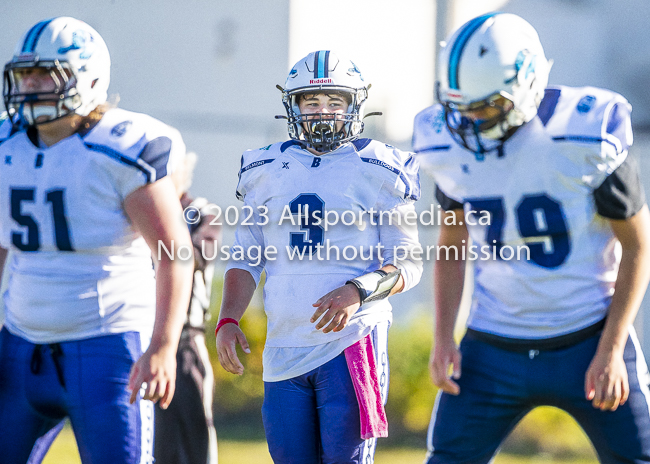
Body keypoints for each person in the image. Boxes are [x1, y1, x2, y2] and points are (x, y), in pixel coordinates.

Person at [412, 12, 650, 464]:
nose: (469, 123)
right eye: (461, 108)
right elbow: (451, 244)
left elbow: (639, 245)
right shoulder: (447, 141)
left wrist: (612, 348)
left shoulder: (586, 132)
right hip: (493, 342)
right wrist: (444, 337)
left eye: (484, 107)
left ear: (525, 83)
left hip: (587, 338)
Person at [0, 17, 194, 464]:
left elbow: (174, 251)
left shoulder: (119, 147)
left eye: (44, 73)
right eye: (24, 73)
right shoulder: (9, 143)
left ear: (87, 78)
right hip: (21, 342)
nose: (30, 85)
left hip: (106, 348)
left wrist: (163, 345)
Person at [216, 50, 423, 463]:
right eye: (311, 102)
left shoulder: (380, 166)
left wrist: (356, 291)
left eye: (335, 102)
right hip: (283, 345)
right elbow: (244, 256)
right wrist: (227, 318)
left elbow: (409, 262)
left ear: (354, 106)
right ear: (293, 107)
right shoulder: (264, 167)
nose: (323, 112)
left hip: (351, 341)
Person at [154, 151, 220, 464]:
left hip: (185, 338)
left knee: (195, 432)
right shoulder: (141, 207)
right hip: (145, 331)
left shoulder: (201, 211)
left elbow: (191, 256)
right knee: (156, 437)